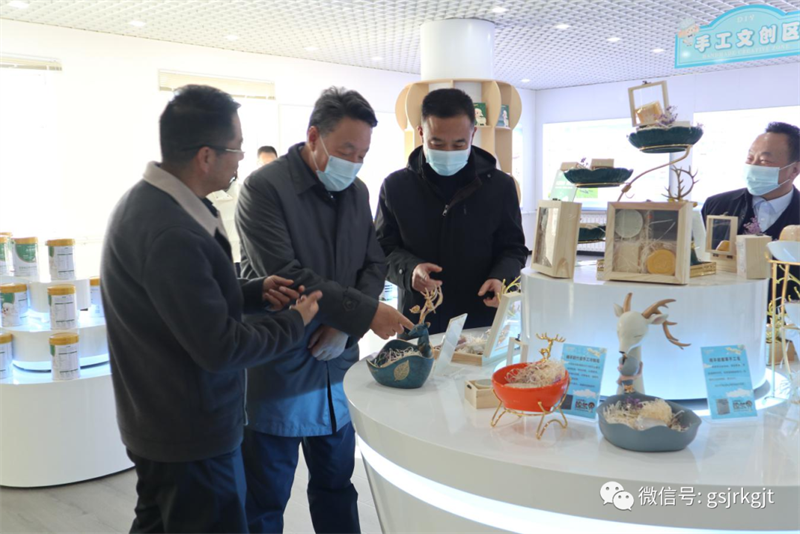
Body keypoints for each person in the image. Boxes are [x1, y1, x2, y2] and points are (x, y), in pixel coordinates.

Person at [101, 84, 322, 534]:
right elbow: (221, 346)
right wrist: (294, 321)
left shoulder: (149, 204)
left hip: (159, 420)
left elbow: (184, 299)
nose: (240, 160)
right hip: (190, 432)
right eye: (236, 149)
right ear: (206, 156)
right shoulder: (172, 232)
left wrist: (254, 291)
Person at [236, 86, 414, 534]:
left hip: (338, 367)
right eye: (346, 150)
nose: (354, 162)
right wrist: (364, 314)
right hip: (280, 366)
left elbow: (373, 264)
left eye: (363, 154)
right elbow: (285, 274)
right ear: (314, 136)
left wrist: (347, 329)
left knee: (337, 486)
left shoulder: (357, 192)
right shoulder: (264, 188)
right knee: (265, 498)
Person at [375, 88, 528, 334]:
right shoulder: (395, 187)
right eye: (437, 143)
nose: (448, 152)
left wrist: (502, 277)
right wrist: (410, 270)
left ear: (473, 133)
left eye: (459, 144)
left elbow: (514, 248)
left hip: (481, 323)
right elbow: (382, 249)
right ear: (421, 133)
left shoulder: (500, 186)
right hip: (419, 321)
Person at [702, 122, 800, 239]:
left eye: (764, 160)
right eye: (750, 158)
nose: (753, 165)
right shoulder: (717, 205)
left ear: (794, 170)